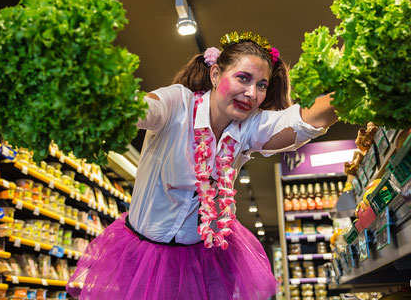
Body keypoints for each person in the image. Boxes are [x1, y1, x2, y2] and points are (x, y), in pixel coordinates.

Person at [67, 31, 338, 300]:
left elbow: (305, 121)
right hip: (143, 257)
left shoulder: (248, 127)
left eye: (261, 85)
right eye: (243, 78)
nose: (251, 93)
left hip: (206, 260)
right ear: (216, 74)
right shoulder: (177, 104)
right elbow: (139, 108)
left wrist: (352, 88)